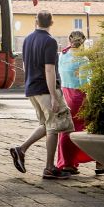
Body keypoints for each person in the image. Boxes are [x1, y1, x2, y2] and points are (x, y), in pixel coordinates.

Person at [9, 11, 73, 180]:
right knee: (55, 126)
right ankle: (50, 168)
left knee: (47, 124)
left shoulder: (27, 39)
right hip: (45, 89)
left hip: (32, 88)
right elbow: (49, 69)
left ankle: (21, 150)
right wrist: (53, 95)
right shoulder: (50, 41)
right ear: (51, 22)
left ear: (35, 22)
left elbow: (25, 64)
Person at [57, 30, 104, 175]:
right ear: (84, 41)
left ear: (69, 40)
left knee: (67, 129)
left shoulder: (62, 55)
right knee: (93, 128)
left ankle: (67, 163)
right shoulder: (83, 59)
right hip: (79, 97)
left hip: (66, 93)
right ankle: (101, 163)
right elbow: (84, 83)